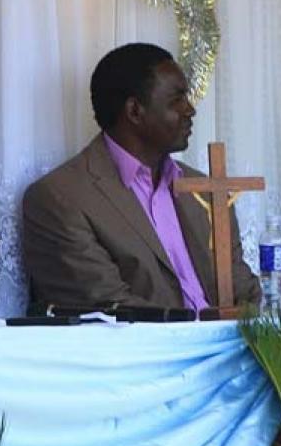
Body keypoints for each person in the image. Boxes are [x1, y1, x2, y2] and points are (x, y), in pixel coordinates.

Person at [22, 43, 260, 311]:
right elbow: (111, 309)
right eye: (176, 100)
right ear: (135, 111)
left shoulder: (206, 190)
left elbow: (245, 291)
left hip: (231, 348)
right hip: (153, 350)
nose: (190, 110)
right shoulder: (61, 199)